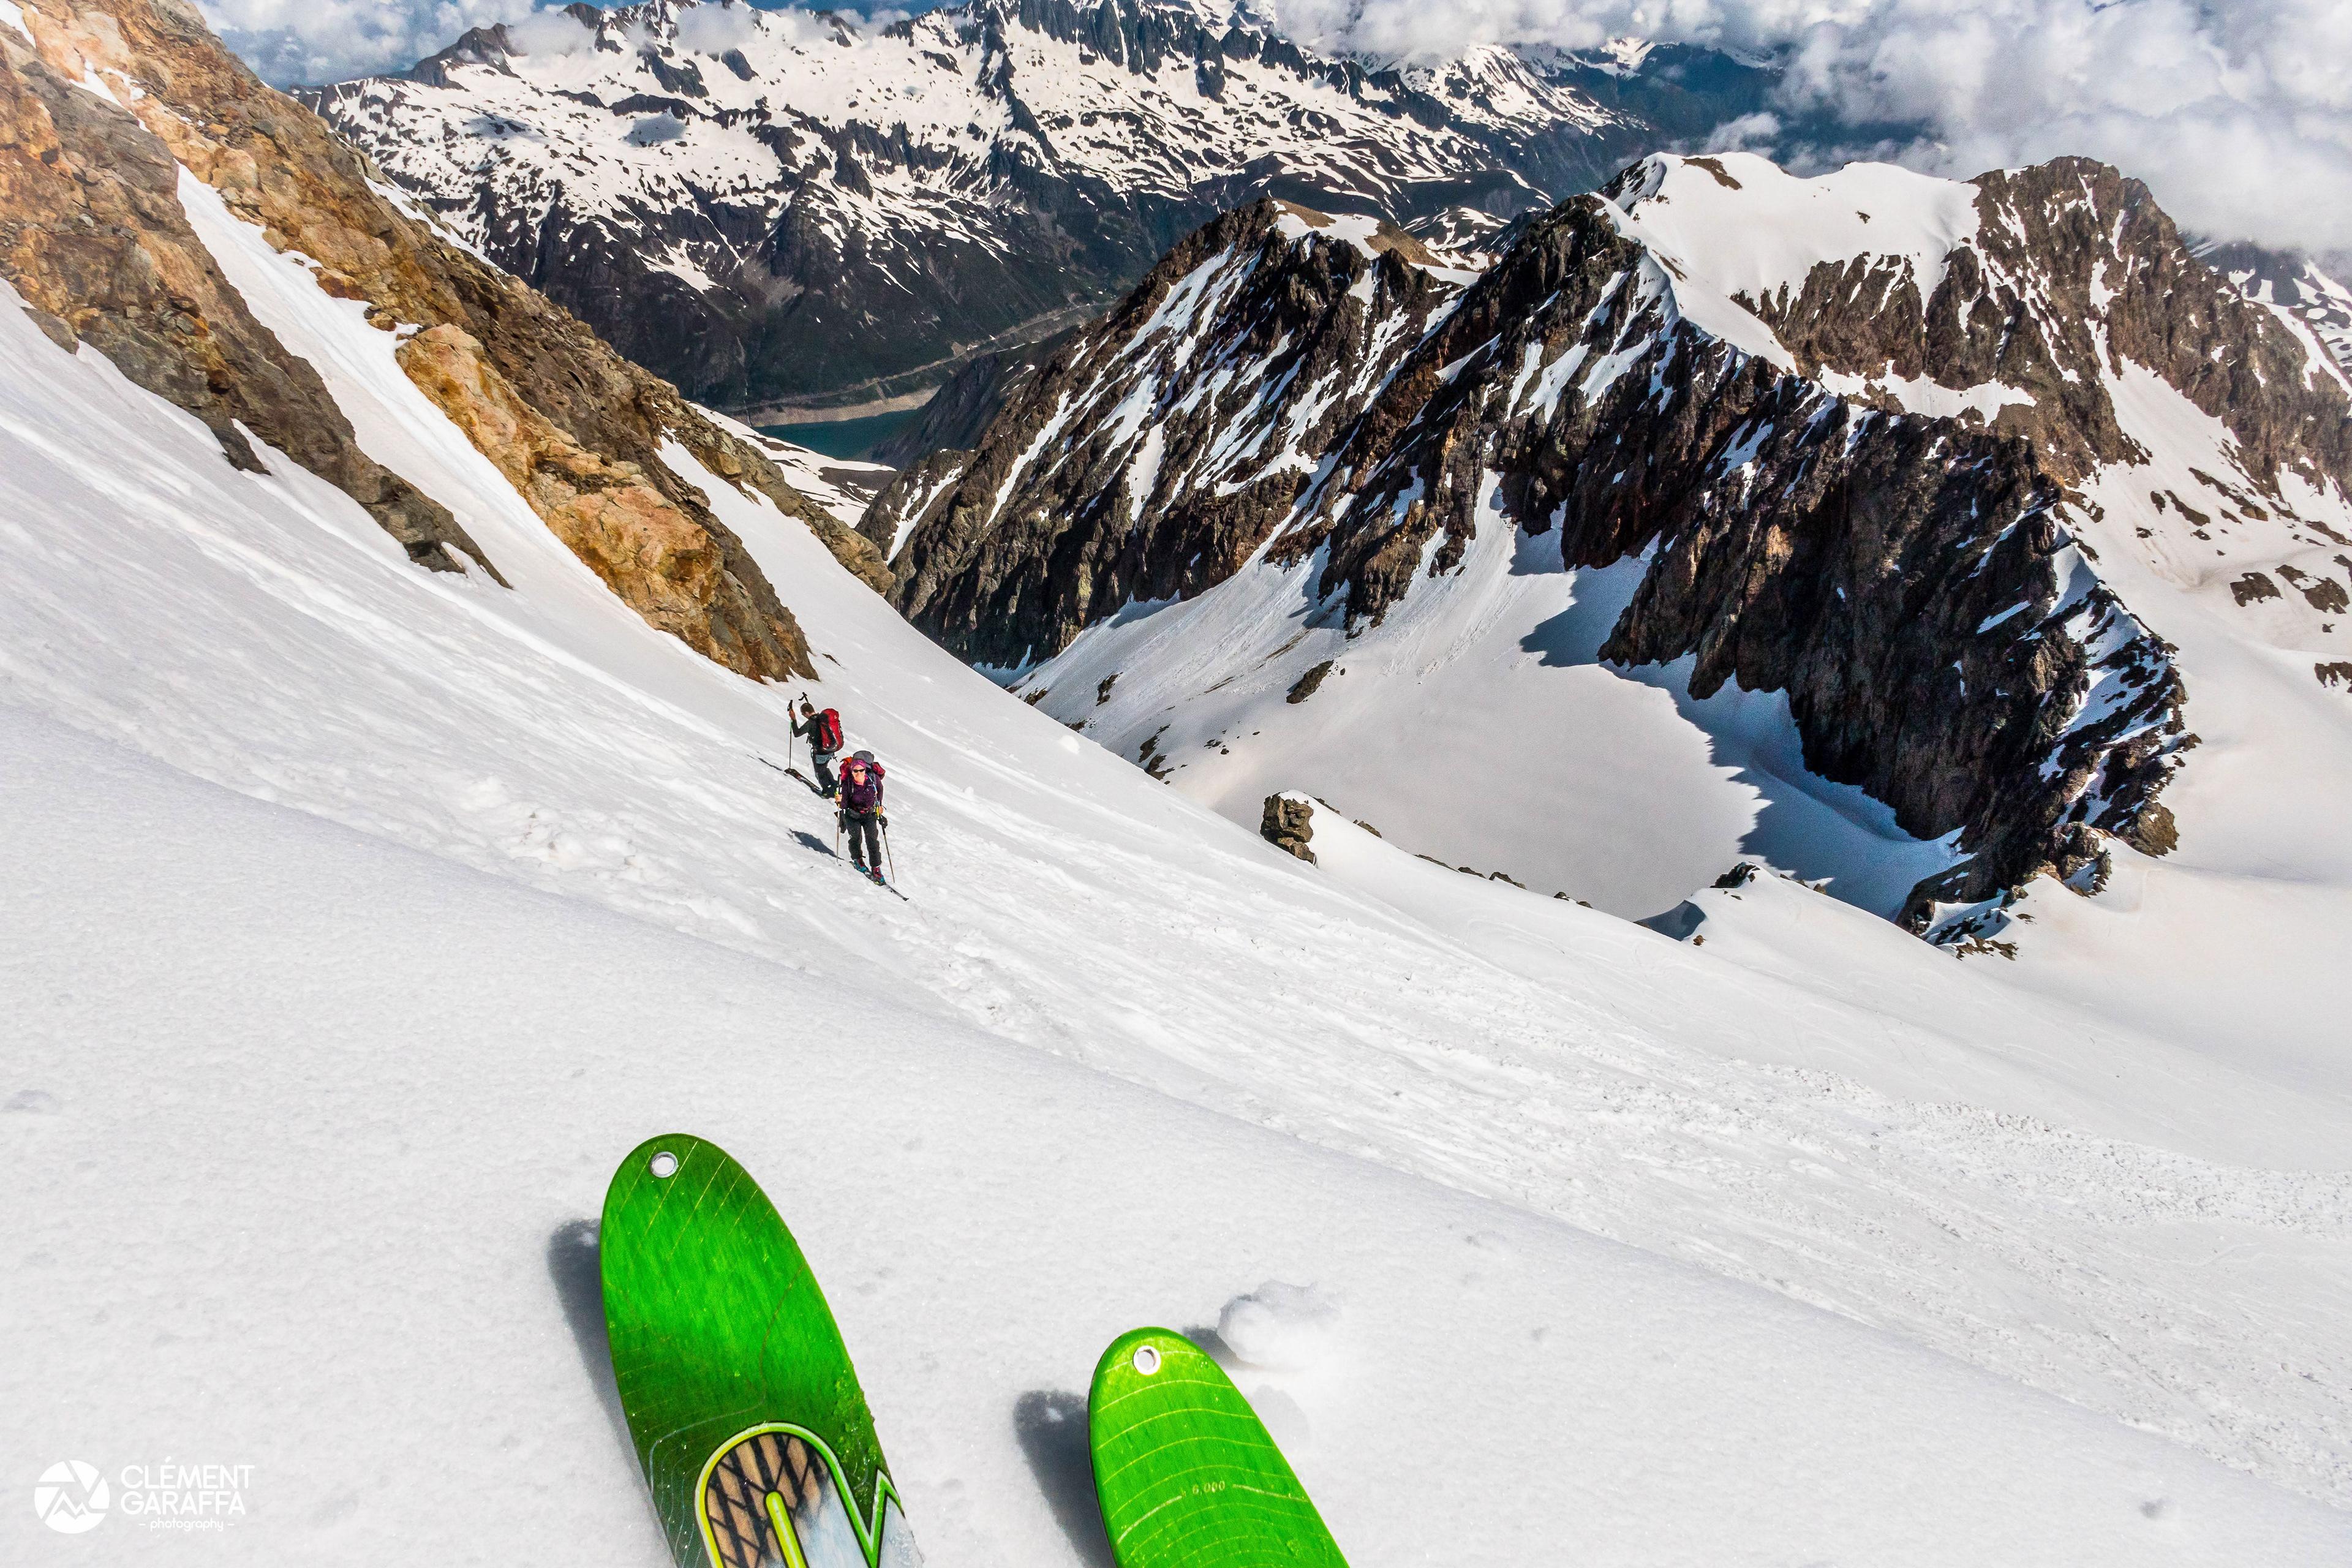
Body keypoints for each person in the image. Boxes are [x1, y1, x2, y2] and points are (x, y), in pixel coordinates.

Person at [835, 752, 888, 883]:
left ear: (865, 770)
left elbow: (879, 792)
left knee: (873, 842)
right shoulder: (848, 784)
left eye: (861, 770)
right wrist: (839, 801)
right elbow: (844, 804)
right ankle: (858, 860)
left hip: (869, 815)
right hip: (853, 815)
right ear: (852, 771)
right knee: (855, 838)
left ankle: (876, 867)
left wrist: (879, 806)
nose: (858, 773)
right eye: (855, 771)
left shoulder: (874, 780)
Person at [791, 698, 845, 797]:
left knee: (820, 772)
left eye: (803, 714)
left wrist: (794, 719)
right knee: (824, 768)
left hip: (820, 752)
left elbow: (797, 733)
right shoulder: (823, 719)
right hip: (830, 749)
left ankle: (828, 791)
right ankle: (834, 785)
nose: (803, 716)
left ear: (807, 712)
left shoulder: (811, 723)